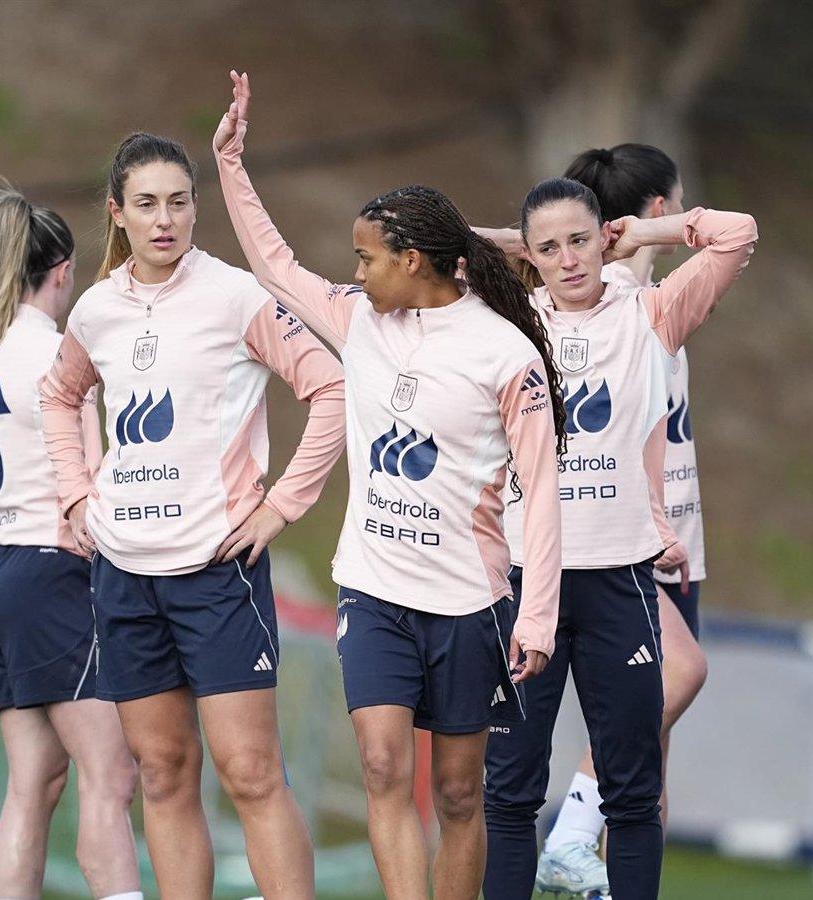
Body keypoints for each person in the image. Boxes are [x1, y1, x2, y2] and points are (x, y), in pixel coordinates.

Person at [212, 70, 563, 900]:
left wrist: (537, 612)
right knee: (379, 765)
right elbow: (275, 267)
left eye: (369, 258)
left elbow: (541, 494)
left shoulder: (505, 355)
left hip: (468, 605)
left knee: (455, 793)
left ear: (413, 260)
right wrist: (231, 164)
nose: (356, 272)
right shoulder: (358, 319)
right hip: (371, 590)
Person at [38, 131, 347, 900]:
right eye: (146, 204)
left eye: (179, 202)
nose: (165, 219)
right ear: (118, 213)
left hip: (218, 574)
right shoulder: (98, 310)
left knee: (249, 774)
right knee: (164, 775)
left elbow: (334, 388)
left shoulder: (235, 295)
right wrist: (77, 496)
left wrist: (280, 507)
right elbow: (59, 394)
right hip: (123, 575)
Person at [477, 177, 758, 900]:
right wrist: (518, 249)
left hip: (620, 581)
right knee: (509, 792)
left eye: (580, 240)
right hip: (524, 584)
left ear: (604, 236)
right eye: (549, 248)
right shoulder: (507, 322)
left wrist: (648, 236)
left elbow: (738, 232)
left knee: (633, 792)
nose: (569, 260)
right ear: (530, 257)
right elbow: (441, 250)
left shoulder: (651, 314)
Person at [0, 185, 141, 900]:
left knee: (34, 781)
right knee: (110, 774)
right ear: (61, 271)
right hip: (52, 570)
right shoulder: (61, 358)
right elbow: (92, 482)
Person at [527, 144, 713, 897]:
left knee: (649, 770)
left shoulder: (643, 297)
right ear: (660, 210)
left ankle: (600, 864)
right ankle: (570, 832)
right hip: (624, 548)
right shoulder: (625, 304)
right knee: (678, 680)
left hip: (678, 546)